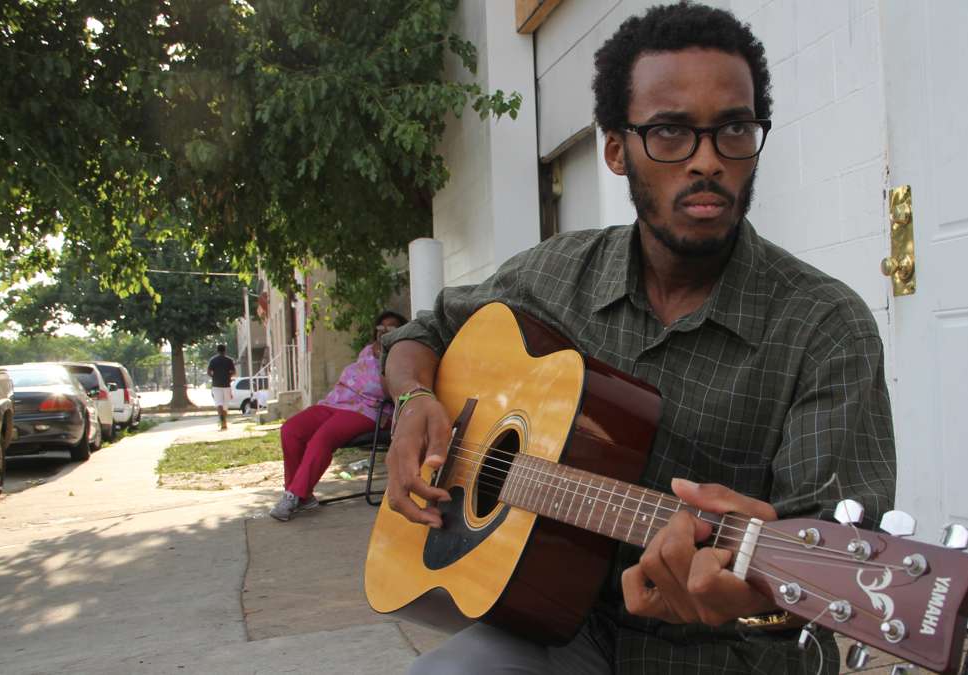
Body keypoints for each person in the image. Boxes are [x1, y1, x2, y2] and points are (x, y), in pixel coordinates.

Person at [383, 5, 896, 674]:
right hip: (562, 629)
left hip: (737, 656)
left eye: (733, 129)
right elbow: (423, 334)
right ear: (617, 149)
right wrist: (414, 401)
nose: (707, 160)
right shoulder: (554, 274)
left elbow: (837, 555)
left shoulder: (825, 326)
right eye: (671, 132)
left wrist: (754, 586)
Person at [268, 311, 408, 522]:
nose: (385, 332)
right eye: (382, 328)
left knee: (323, 437)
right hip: (336, 402)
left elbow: (392, 392)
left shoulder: (402, 355)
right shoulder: (368, 350)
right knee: (291, 429)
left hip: (367, 409)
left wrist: (386, 358)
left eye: (391, 328)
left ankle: (293, 495)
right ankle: (302, 496)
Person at [206, 344, 238, 431]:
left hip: (216, 385)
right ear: (225, 350)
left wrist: (214, 376)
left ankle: (222, 421)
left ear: (217, 350)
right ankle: (224, 421)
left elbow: (208, 372)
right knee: (225, 405)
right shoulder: (229, 360)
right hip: (226, 385)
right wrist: (228, 375)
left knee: (218, 403)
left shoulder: (213, 360)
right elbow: (234, 372)